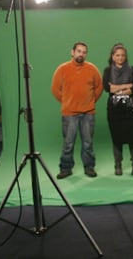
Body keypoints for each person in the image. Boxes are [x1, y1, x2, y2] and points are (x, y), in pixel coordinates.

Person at [51, 42, 103, 179]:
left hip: (88, 113)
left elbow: (99, 87)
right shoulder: (62, 69)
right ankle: (66, 168)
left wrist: (90, 102)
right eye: (79, 51)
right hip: (69, 114)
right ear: (72, 52)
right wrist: (67, 102)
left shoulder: (92, 69)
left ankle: (89, 167)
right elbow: (55, 89)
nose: (81, 54)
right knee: (68, 143)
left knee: (88, 142)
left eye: (84, 52)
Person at [103, 43, 133, 175]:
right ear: (113, 57)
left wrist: (116, 87)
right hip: (115, 110)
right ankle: (118, 165)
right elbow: (107, 88)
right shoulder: (107, 71)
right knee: (117, 138)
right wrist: (126, 87)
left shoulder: (132, 70)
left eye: (123, 55)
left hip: (131, 109)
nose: (120, 58)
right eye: (117, 55)